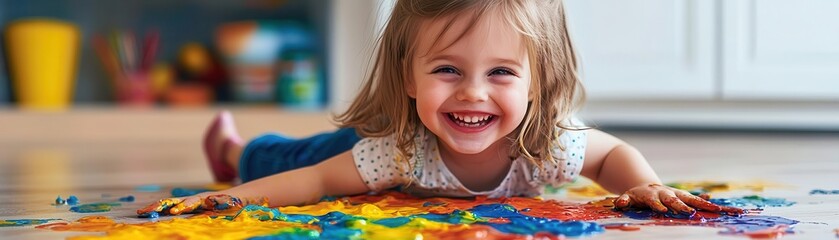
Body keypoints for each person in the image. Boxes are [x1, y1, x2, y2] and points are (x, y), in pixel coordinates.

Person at [139, 0, 742, 216]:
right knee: (293, 155)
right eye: (447, 70)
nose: (473, 93)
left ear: (538, 82)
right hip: (361, 150)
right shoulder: (397, 153)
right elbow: (317, 179)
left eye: (501, 73)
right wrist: (233, 194)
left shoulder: (548, 144)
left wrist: (646, 187)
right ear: (408, 76)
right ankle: (236, 150)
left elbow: (614, 156)